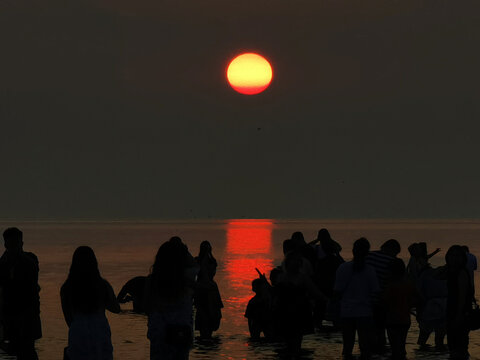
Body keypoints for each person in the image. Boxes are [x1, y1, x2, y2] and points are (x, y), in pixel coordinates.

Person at [61, 246, 120, 360]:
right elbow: (116, 309)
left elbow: (68, 318)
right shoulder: (103, 285)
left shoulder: (67, 287)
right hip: (100, 330)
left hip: (78, 330)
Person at [145, 237, 199, 360]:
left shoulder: (153, 281)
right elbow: (195, 266)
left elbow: (146, 306)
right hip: (181, 332)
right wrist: (183, 249)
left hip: (160, 332)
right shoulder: (186, 282)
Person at [334, 237, 379, 360]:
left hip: (347, 312)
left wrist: (336, 312)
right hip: (365, 312)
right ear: (367, 253)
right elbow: (375, 293)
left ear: (353, 251)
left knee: (347, 348)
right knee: (365, 348)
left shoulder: (343, 268)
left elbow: (337, 292)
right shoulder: (370, 271)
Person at [0, 227, 41, 359]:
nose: (15, 248)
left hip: (28, 316)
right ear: (6, 245)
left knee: (27, 350)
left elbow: (32, 278)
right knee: (17, 350)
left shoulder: (30, 260)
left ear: (21, 243)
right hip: (10, 317)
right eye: (11, 245)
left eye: (17, 244)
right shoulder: (3, 263)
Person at [366, 239, 401, 353]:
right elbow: (395, 282)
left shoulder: (369, 255)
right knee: (381, 330)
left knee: (367, 330)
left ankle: (369, 351)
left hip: (365, 300)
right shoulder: (393, 261)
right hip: (381, 301)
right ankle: (381, 351)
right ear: (393, 251)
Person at [382, 259, 418, 360]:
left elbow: (385, 301)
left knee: (394, 347)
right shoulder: (408, 284)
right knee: (402, 345)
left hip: (392, 319)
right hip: (405, 319)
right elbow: (415, 299)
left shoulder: (390, 286)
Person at [445, 245, 472, 360]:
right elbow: (435, 275)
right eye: (451, 255)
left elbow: (462, 296)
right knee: (453, 346)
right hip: (451, 312)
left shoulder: (461, 272)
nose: (454, 258)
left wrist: (459, 314)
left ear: (462, 258)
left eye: (457, 256)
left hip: (459, 313)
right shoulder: (451, 271)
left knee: (459, 346)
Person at [194, 241, 223, 339]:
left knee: (212, 312)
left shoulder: (212, 261)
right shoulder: (197, 261)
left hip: (210, 288)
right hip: (202, 288)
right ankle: (204, 334)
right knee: (203, 311)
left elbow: (210, 273)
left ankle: (208, 333)